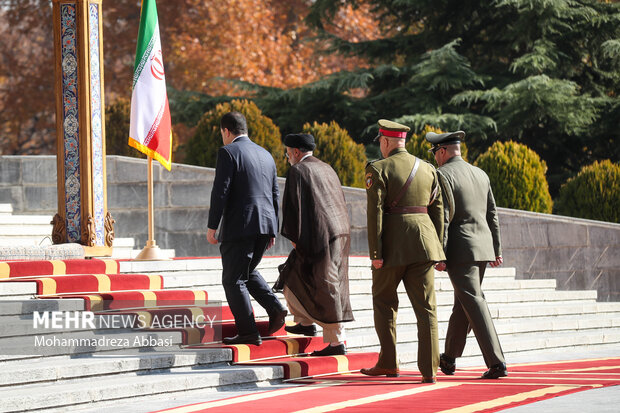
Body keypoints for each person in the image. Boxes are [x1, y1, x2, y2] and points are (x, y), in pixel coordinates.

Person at [360, 119, 445, 383]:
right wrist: (439, 248)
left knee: (384, 303)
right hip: (424, 244)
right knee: (427, 309)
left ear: (385, 142)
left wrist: (376, 254)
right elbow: (439, 210)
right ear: (403, 141)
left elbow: (374, 214)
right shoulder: (428, 169)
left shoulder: (378, 168)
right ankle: (430, 370)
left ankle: (388, 362)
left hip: (392, 248)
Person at [426, 130, 508, 379]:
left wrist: (439, 252)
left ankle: (497, 362)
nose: (435, 158)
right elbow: (492, 214)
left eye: (435, 154)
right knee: (463, 302)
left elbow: (444, 216)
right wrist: (497, 249)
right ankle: (449, 358)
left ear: (442, 152)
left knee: (473, 300)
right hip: (482, 248)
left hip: (460, 249)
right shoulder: (480, 173)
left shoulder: (442, 174)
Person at [207, 111, 287, 346]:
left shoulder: (228, 152)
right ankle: (275, 308)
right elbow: (274, 193)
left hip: (240, 226)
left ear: (226, 131)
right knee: (247, 271)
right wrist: (272, 228)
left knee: (233, 279)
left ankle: (248, 331)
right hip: (264, 225)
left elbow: (220, 192)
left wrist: (213, 226)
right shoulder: (266, 155)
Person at [277, 133, 354, 357]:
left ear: (296, 152)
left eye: (287, 153)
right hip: (337, 233)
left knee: (326, 285)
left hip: (318, 236)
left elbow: (293, 208)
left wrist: (294, 237)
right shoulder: (326, 167)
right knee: (291, 276)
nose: (287, 157)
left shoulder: (298, 170)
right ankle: (304, 321)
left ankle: (337, 341)